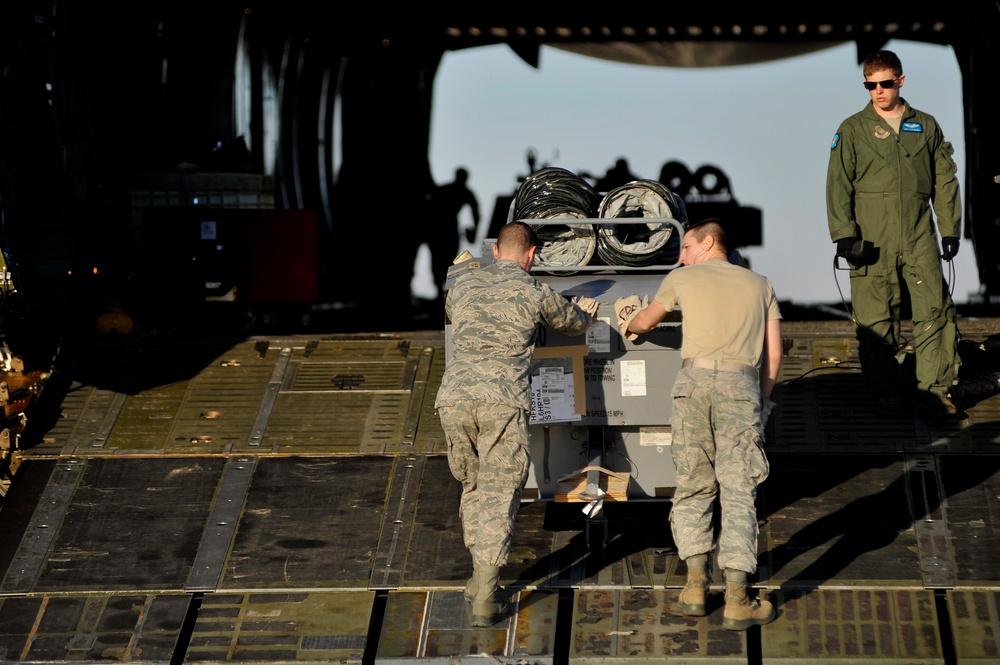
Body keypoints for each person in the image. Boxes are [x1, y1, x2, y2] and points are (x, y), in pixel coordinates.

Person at [616, 218, 781, 631]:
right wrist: (764, 400)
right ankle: (737, 598)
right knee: (739, 490)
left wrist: (628, 322)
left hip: (692, 386)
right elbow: (773, 355)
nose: (681, 256)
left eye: (686, 248)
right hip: (740, 387)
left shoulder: (681, 279)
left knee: (693, 483)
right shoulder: (761, 285)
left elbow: (645, 322)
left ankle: (693, 587)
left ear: (708, 243)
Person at [435, 221, 598, 627]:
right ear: (531, 255)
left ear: (495, 252)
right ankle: (488, 596)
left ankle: (478, 577)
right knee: (498, 491)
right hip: (501, 401)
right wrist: (586, 313)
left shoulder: (464, 286)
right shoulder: (534, 290)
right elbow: (573, 323)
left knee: (471, 485)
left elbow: (453, 311)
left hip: (453, 399)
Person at [826, 49, 963, 418]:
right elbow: (838, 186)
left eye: (885, 83)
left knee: (935, 311)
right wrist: (844, 236)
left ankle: (934, 391)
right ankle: (885, 393)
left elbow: (945, 182)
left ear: (900, 81)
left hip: (919, 235)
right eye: (871, 85)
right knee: (875, 318)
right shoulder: (852, 129)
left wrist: (950, 230)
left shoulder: (927, 126)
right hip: (872, 238)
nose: (878, 91)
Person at [428, 167, 481, 300]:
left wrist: (474, 229)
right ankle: (440, 289)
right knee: (440, 260)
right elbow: (476, 213)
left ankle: (443, 290)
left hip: (445, 229)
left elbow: (476, 213)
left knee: (445, 260)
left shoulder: (458, 191)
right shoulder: (459, 192)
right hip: (440, 228)